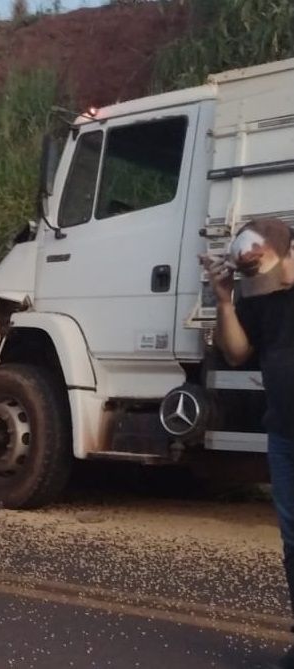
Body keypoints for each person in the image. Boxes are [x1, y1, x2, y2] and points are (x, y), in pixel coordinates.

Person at [201, 216, 294, 667]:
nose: (261, 284)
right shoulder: (259, 295)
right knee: (293, 541)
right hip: (284, 433)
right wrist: (225, 301)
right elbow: (237, 352)